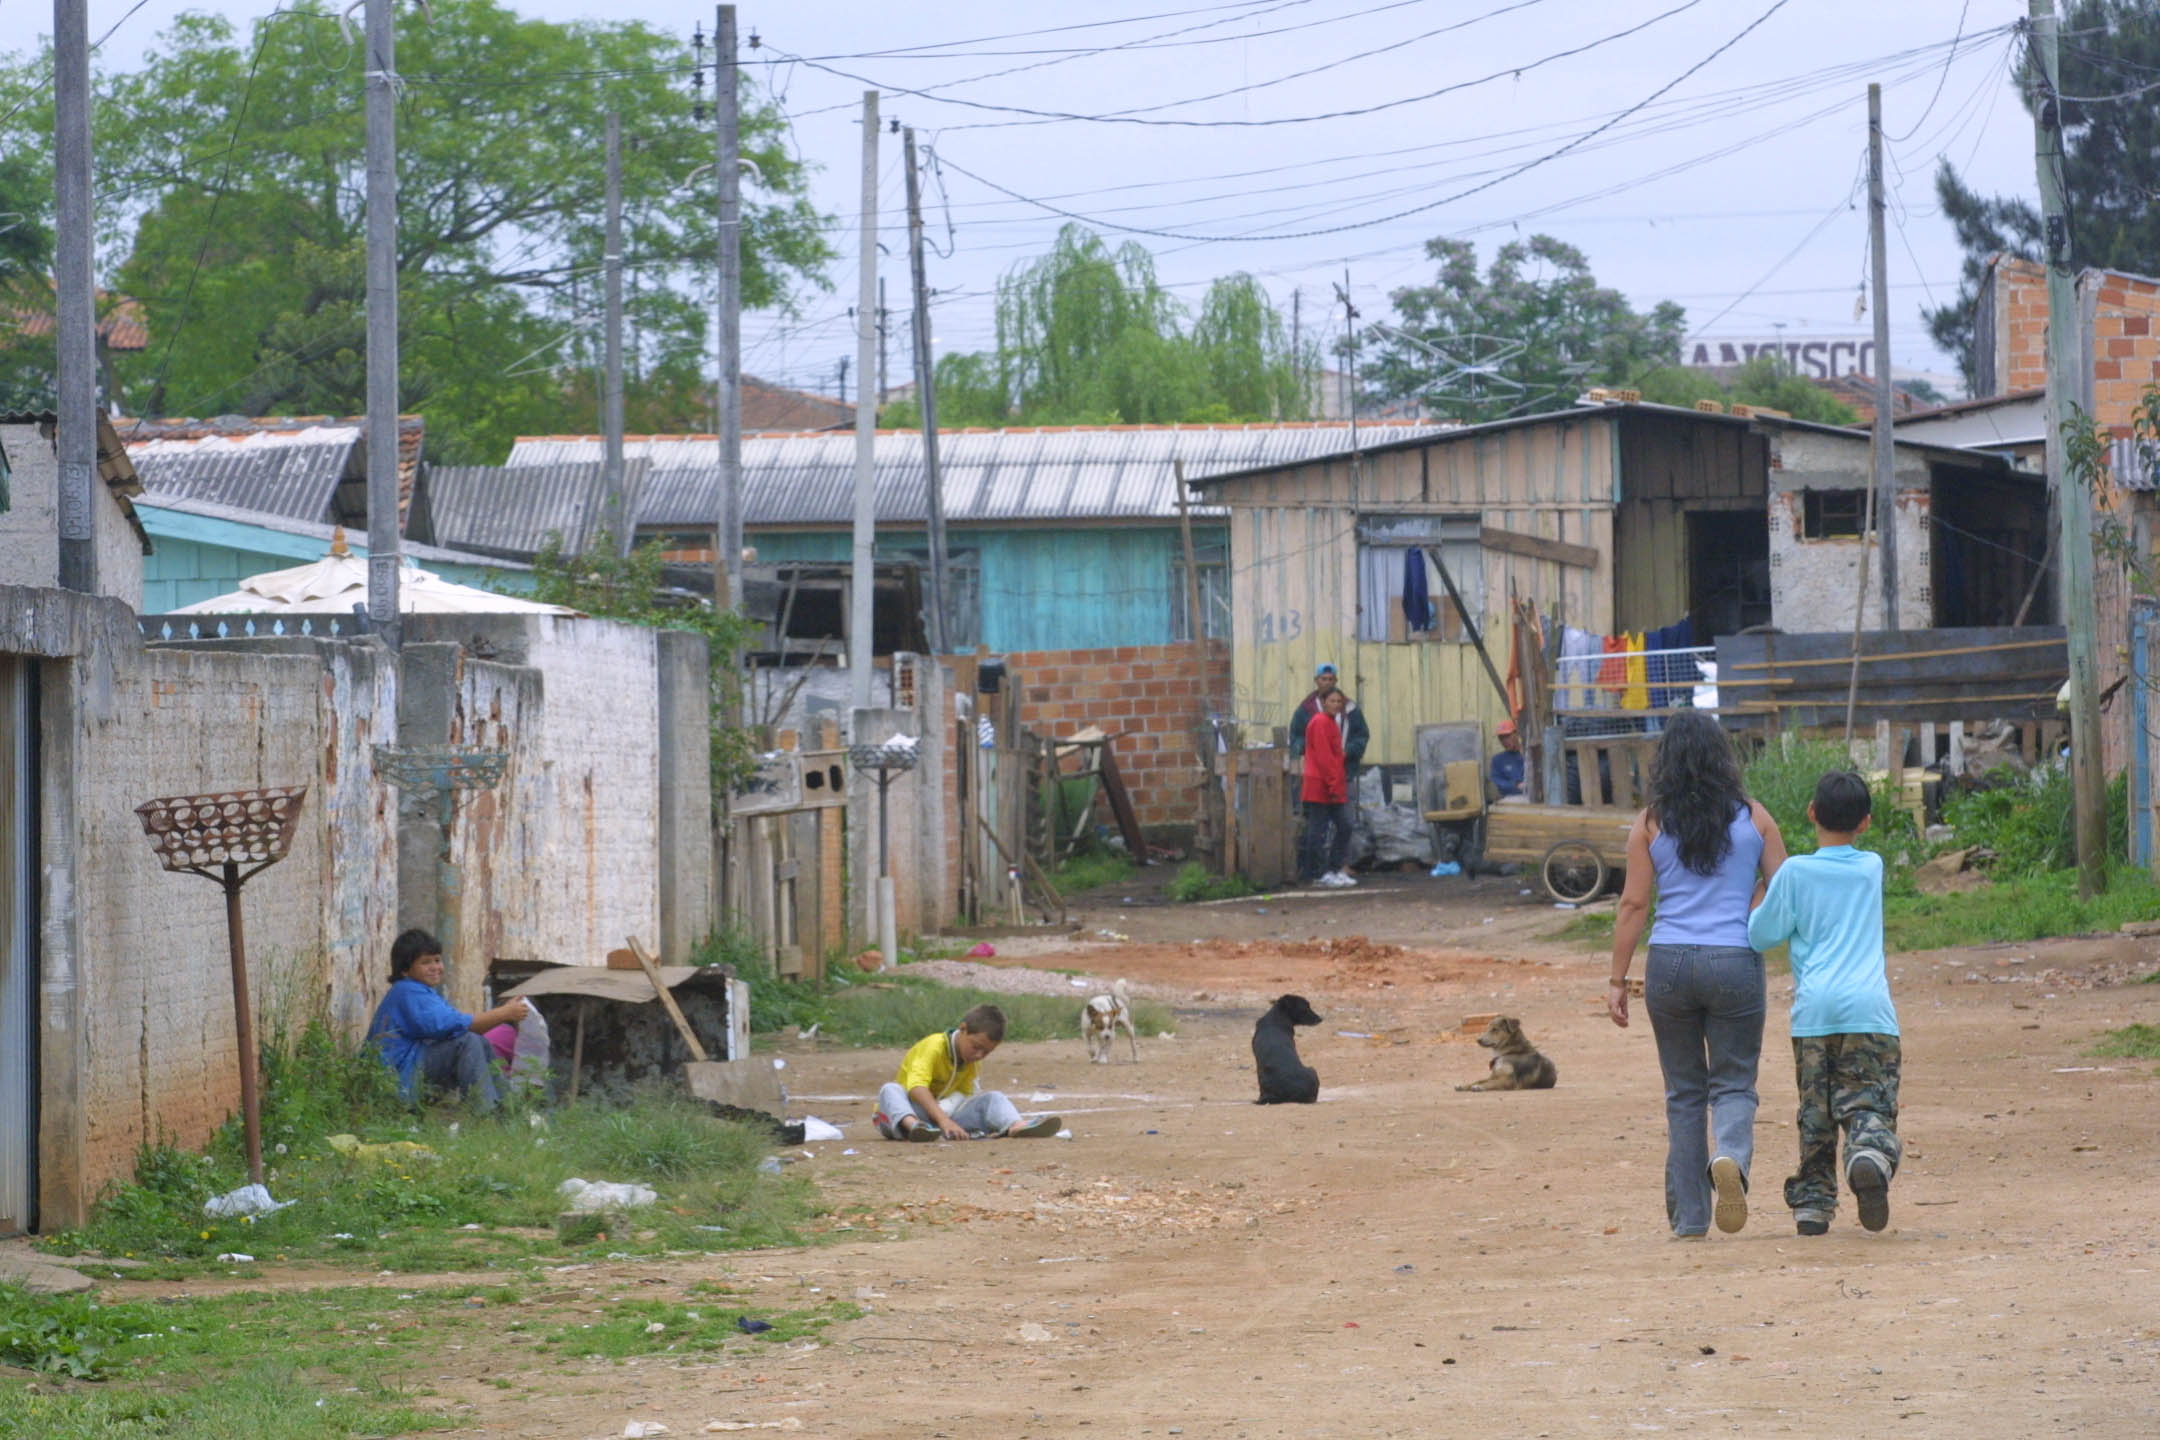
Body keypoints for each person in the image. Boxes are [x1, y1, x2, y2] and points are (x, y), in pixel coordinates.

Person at [1607, 711, 1787, 1239]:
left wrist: (1618, 980)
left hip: (1670, 963)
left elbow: (1634, 905)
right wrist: (1750, 907)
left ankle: (1690, 1219)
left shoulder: (1650, 822)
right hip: (1734, 960)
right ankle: (1729, 1155)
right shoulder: (1755, 818)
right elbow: (1783, 887)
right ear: (1721, 758)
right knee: (1733, 1082)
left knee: (1684, 1093)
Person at [1745, 771, 1901, 1236]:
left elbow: (1760, 935)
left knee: (1815, 1115)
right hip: (1870, 1010)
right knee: (1869, 1099)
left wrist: (1760, 898)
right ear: (1866, 823)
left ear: (1811, 812)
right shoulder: (1871, 866)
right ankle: (1868, 1152)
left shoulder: (1793, 874)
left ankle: (1813, 1205)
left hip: (1814, 1014)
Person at [364, 928, 533, 1111]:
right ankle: (486, 1113)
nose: (435, 967)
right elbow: (449, 1025)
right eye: (425, 962)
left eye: (437, 960)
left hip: (411, 1065)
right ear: (405, 970)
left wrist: (503, 1013)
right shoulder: (407, 991)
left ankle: (507, 1109)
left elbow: (457, 1025)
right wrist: (504, 1013)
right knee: (467, 1042)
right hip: (398, 1073)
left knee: (478, 1041)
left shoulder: (422, 991)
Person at [872, 1003, 1061, 1141]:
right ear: (963, 1029)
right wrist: (944, 1120)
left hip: (938, 1121)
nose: (979, 1055)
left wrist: (948, 1119)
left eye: (986, 1052)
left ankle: (1016, 1126)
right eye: (976, 1047)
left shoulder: (970, 1060)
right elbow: (916, 1088)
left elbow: (966, 1096)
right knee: (890, 1089)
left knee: (993, 1098)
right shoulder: (934, 1046)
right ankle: (915, 1128)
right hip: (902, 1116)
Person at [1299, 689, 1357, 888]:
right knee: (1319, 829)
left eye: (1339, 701)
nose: (1336, 704)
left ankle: (1332, 869)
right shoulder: (1321, 722)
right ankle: (1318, 873)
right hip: (1320, 785)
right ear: (1323, 702)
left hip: (1331, 784)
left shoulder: (1329, 722)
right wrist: (1333, 784)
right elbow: (1325, 758)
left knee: (1344, 825)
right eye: (1332, 700)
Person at [1289, 662, 1369, 778]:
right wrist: (1312, 749)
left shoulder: (1350, 708)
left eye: (1330, 679)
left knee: (1344, 796)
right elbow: (1295, 737)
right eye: (1324, 679)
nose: (1327, 682)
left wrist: (1347, 751)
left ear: (1335, 681)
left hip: (1345, 771)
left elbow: (1362, 736)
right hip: (1315, 773)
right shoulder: (1306, 709)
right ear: (1316, 680)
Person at [1489, 720, 1526, 799]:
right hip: (1510, 800)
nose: (1504, 741)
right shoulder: (1498, 760)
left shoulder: (1528, 755)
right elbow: (1498, 782)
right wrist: (1515, 785)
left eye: (1507, 736)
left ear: (1516, 734)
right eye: (1501, 738)